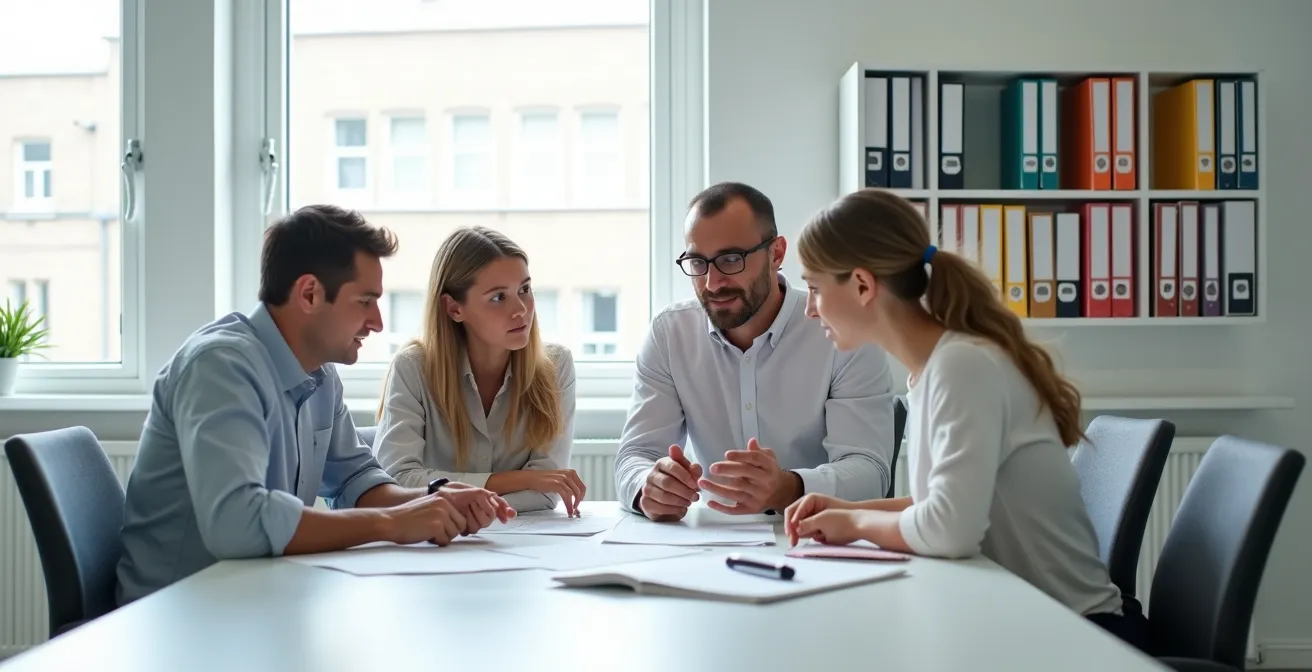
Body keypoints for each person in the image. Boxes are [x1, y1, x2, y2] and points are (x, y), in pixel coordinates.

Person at [783, 188, 1149, 652]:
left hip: (1080, 635)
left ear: (861, 284)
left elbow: (948, 530)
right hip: (1024, 619)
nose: (810, 308)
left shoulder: (963, 367)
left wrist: (854, 524)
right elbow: (939, 505)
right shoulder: (932, 371)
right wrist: (840, 510)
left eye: (814, 288)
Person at [115, 205, 514, 606]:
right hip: (176, 617)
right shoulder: (220, 368)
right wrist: (392, 522)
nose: (377, 322)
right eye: (365, 301)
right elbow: (237, 522)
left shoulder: (319, 375)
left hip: (250, 599)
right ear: (309, 294)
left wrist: (432, 499)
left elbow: (355, 481)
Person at [614, 181, 897, 522]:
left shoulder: (842, 333)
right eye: (698, 262)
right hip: (709, 544)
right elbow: (634, 456)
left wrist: (789, 488)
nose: (712, 282)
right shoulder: (670, 334)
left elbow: (871, 473)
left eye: (731, 259)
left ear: (776, 254)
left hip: (817, 538)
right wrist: (649, 486)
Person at [373, 227, 584, 516]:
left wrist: (451, 497)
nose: (521, 309)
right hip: (434, 544)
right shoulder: (413, 368)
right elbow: (397, 481)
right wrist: (521, 479)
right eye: (498, 297)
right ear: (454, 308)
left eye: (525, 289)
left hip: (524, 542)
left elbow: (546, 493)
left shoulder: (556, 366)